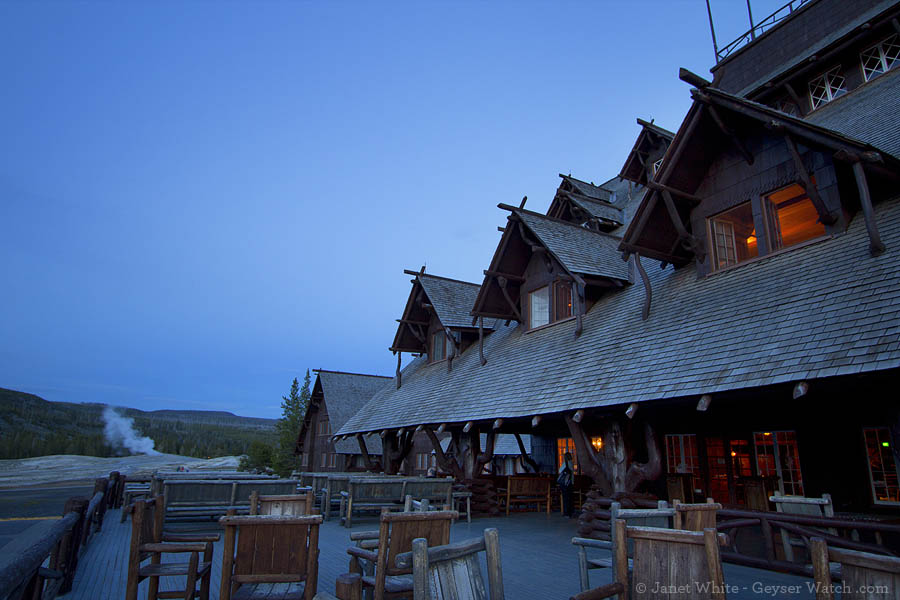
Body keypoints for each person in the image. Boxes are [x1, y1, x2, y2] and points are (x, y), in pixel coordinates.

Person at [558, 451, 575, 518]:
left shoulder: (566, 463)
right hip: (570, 482)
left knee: (565, 497)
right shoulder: (571, 463)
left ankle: (566, 513)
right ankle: (571, 512)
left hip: (565, 482)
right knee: (570, 497)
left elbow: (560, 470)